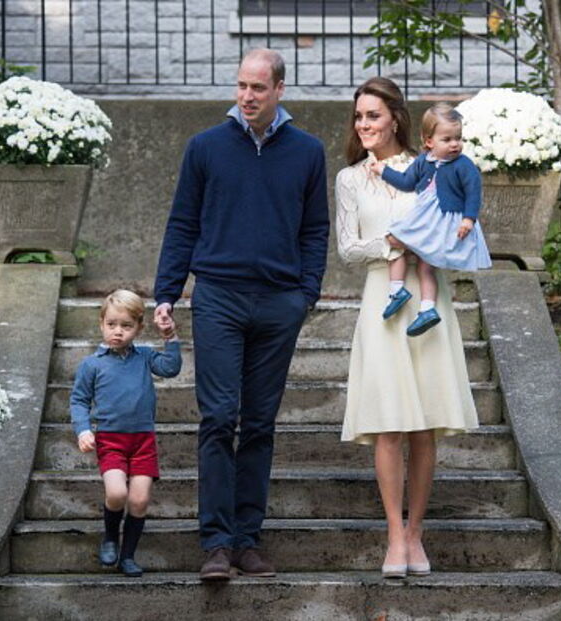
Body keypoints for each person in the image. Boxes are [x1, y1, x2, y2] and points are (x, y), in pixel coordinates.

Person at [153, 48, 329, 582]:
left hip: (279, 303)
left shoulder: (308, 151)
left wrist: (306, 294)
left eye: (258, 88)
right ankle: (216, 544)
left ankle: (248, 541)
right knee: (218, 418)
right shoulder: (206, 147)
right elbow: (183, 222)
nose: (247, 97)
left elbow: (315, 228)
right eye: (240, 86)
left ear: (279, 90)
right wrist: (167, 291)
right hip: (219, 298)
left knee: (257, 423)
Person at [335, 77, 479, 579]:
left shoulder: (431, 167)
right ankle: (394, 535)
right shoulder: (350, 179)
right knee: (389, 424)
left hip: (426, 295)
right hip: (382, 296)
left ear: (394, 117)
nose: (364, 125)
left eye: (372, 115)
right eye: (358, 117)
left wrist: (434, 241)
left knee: (424, 425)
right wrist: (393, 244)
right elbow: (348, 248)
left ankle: (416, 532)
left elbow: (459, 217)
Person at [70, 289, 182, 577]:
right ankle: (110, 537)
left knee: (139, 500)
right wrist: (83, 430)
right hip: (110, 439)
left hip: (143, 440)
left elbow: (170, 368)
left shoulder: (143, 357)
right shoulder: (92, 364)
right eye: (111, 325)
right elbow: (79, 400)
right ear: (101, 324)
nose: (117, 332)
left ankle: (128, 556)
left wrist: (170, 337)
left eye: (126, 326)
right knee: (117, 493)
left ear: (139, 328)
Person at [370, 103, 492, 336]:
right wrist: (383, 171)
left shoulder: (463, 165)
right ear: (429, 141)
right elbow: (406, 182)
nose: (455, 144)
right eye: (447, 139)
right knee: (399, 245)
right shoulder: (423, 162)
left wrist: (468, 219)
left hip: (444, 221)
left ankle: (422, 305)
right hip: (425, 219)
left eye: (458, 138)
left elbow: (474, 192)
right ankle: (404, 295)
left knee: (421, 260)